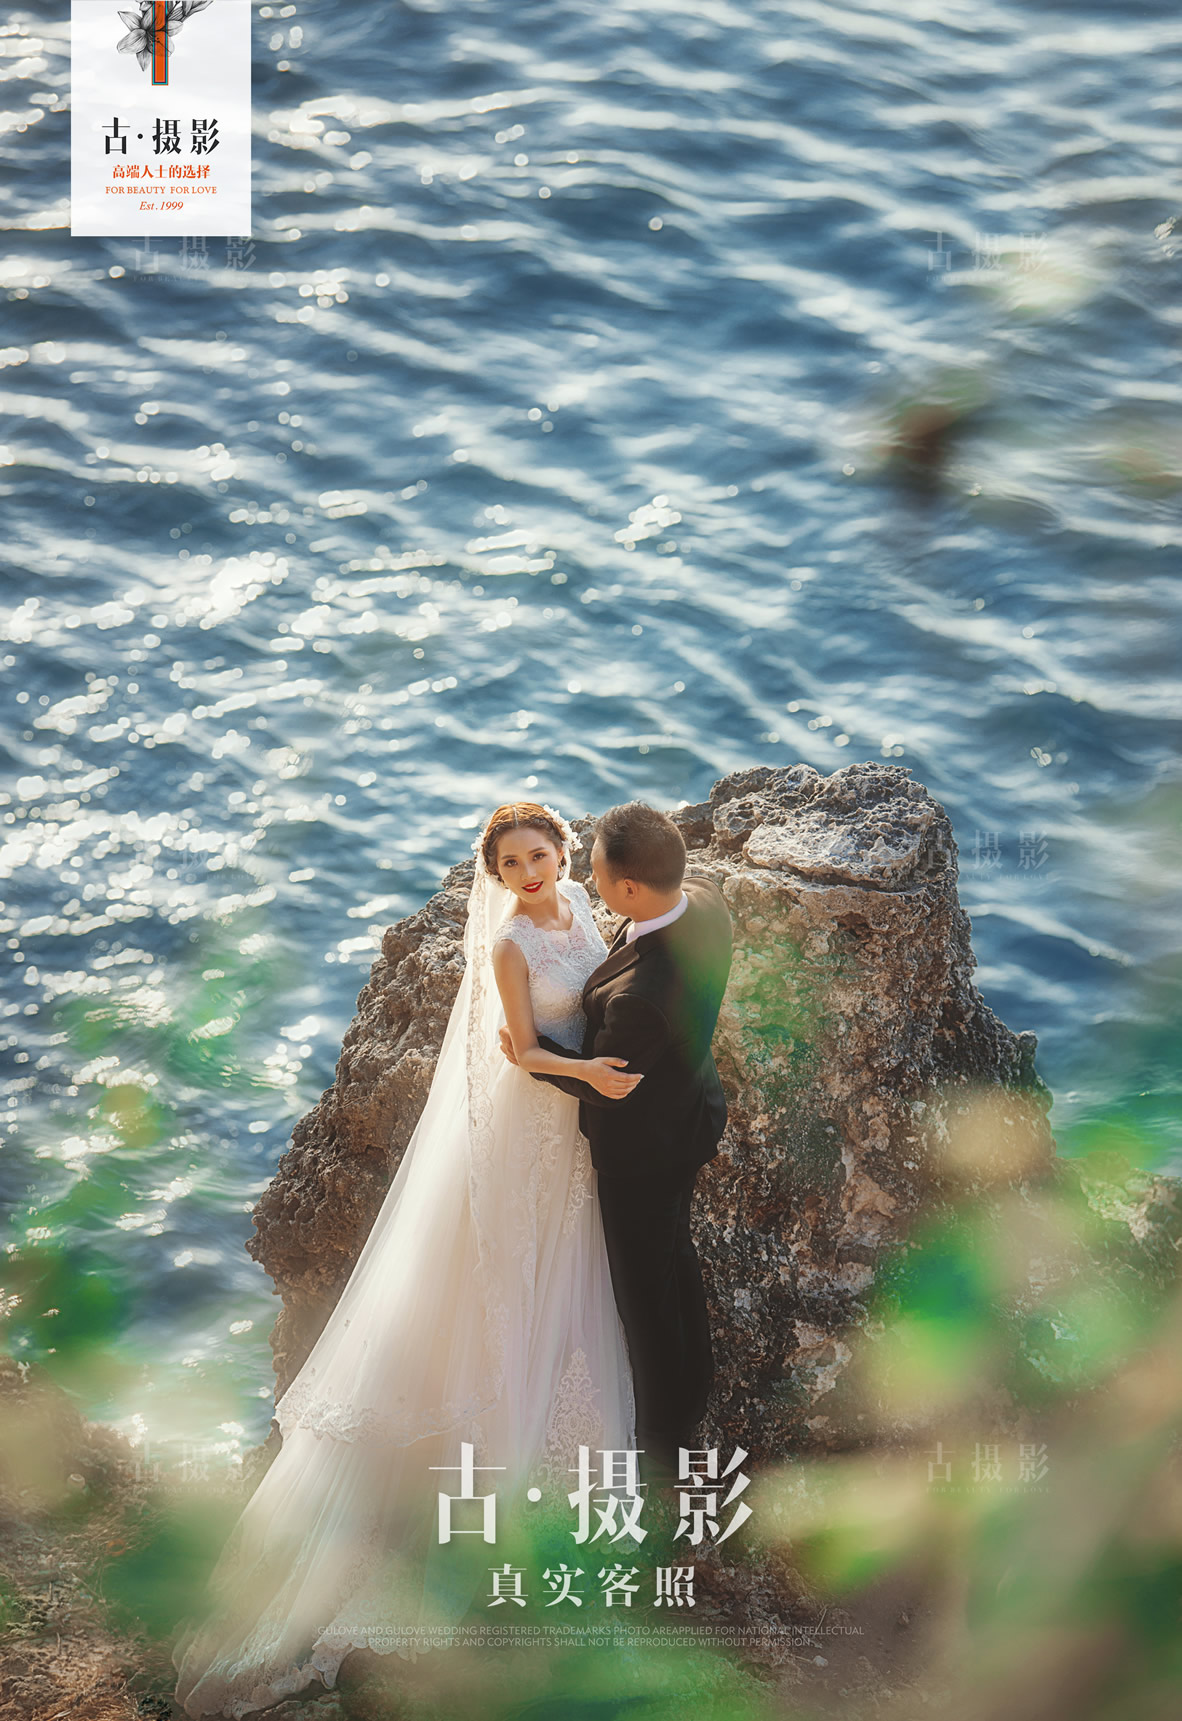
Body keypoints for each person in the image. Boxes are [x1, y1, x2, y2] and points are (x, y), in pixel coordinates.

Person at [172, 802, 638, 1718]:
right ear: (497, 874)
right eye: (511, 863)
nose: (529, 873)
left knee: (566, 1285)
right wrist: (592, 1074)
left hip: (573, 1140)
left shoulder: (582, 907)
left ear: (563, 851)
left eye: (538, 855)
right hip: (532, 1122)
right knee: (502, 1289)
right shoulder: (508, 945)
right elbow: (520, 1048)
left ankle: (545, 1505)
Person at [500, 802, 733, 1489]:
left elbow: (608, 1084)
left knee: (644, 1295)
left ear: (629, 888)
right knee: (676, 1256)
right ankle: (697, 1377)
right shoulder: (702, 901)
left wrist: (530, 1057)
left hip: (642, 1153)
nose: (586, 880)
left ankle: (666, 1436)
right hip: (691, 1113)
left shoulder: (641, 999)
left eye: (598, 873)